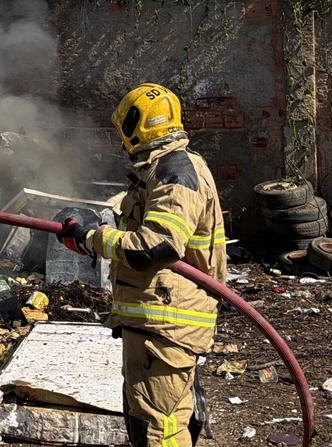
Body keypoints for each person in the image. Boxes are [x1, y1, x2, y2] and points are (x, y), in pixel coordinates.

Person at [58, 83, 226, 447]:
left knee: (158, 429)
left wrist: (93, 238)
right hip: (158, 322)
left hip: (167, 325)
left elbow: (157, 246)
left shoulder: (175, 173)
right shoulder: (162, 170)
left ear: (134, 127)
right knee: (150, 420)